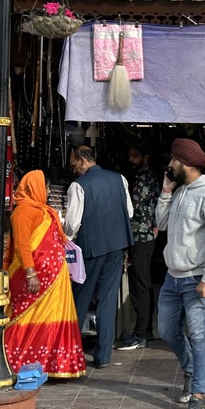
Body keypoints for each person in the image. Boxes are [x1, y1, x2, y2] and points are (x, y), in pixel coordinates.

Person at [156, 138, 205, 409]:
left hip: (197, 278)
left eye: (173, 160)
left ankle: (198, 398)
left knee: (199, 336)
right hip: (172, 276)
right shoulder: (180, 191)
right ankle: (189, 371)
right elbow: (160, 224)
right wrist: (165, 190)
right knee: (166, 330)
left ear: (185, 163)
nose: (170, 165)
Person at [3, 170, 87, 378]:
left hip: (54, 278)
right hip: (35, 278)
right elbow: (22, 245)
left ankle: (55, 365)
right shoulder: (22, 212)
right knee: (25, 319)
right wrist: (31, 273)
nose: (49, 191)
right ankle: (20, 362)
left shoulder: (44, 210)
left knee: (54, 321)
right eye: (46, 187)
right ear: (35, 188)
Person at [64, 145, 133, 370]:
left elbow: (72, 225)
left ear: (83, 161)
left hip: (91, 248)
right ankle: (103, 355)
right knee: (107, 298)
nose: (73, 169)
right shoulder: (119, 179)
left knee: (80, 298)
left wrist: (64, 236)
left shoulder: (78, 186)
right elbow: (129, 212)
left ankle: (71, 352)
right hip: (116, 246)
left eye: (74, 164)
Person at [118, 141, 161, 351]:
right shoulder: (148, 177)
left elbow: (132, 207)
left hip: (141, 235)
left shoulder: (144, 178)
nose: (130, 160)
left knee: (139, 284)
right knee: (144, 282)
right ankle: (147, 331)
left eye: (135, 156)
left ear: (145, 157)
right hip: (145, 234)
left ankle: (140, 333)